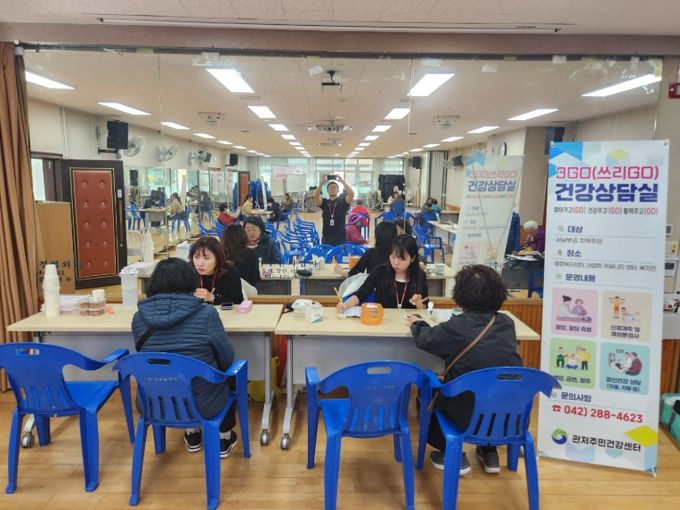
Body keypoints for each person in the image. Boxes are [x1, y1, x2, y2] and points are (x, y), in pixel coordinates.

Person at [408, 264, 522, 476]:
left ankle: (452, 453)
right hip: (508, 413)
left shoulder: (458, 326)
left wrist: (417, 323)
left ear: (461, 294)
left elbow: (426, 340)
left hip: (466, 414)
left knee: (430, 390)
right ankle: (490, 453)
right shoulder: (506, 323)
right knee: (490, 386)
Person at [131, 258, 239, 457]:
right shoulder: (207, 314)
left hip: (154, 403)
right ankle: (223, 437)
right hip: (203, 403)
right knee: (227, 373)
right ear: (190, 281)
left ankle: (192, 433)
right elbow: (227, 359)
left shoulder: (138, 318)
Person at [337, 234, 428, 312]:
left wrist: (419, 304)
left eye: (401, 259)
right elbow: (362, 293)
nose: (396, 263)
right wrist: (345, 305)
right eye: (393, 257)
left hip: (409, 322)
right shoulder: (380, 271)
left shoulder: (420, 275)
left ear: (412, 258)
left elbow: (424, 306)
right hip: (383, 320)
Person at [189, 237, 243, 305]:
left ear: (218, 259)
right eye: (196, 257)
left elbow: (238, 302)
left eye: (206, 258)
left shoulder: (229, 273)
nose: (200, 263)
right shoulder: (187, 271)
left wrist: (212, 298)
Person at [314, 175, 354, 246]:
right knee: (326, 253)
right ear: (327, 191)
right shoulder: (324, 202)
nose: (332, 189)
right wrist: (321, 184)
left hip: (340, 236)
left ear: (338, 190)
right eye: (330, 187)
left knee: (340, 253)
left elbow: (351, 194)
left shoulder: (343, 201)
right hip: (327, 236)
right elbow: (316, 196)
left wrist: (343, 182)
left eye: (334, 187)